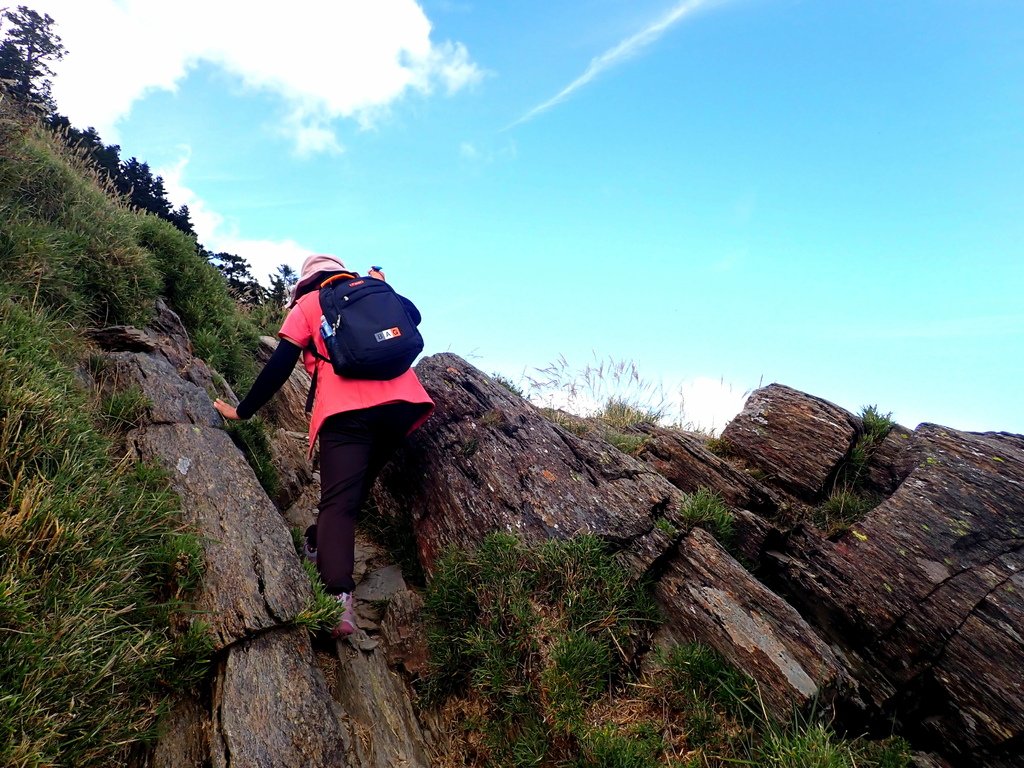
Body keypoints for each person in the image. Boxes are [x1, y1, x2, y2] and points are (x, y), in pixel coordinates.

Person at [214, 254, 433, 638]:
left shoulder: (308, 304)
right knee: (354, 491)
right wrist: (381, 285)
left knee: (339, 502)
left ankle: (337, 599)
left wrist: (243, 410)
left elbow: (280, 365)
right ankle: (318, 540)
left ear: (306, 282)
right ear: (341, 272)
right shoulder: (373, 290)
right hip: (403, 405)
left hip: (347, 412)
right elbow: (412, 317)